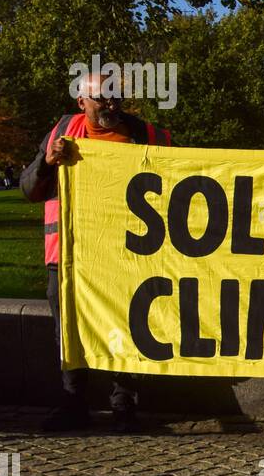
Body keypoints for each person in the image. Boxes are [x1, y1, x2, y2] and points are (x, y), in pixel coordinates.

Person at [21, 73, 172, 431]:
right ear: (81, 102)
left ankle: (124, 404)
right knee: (70, 327)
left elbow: (181, 176)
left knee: (129, 321)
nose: (111, 104)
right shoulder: (62, 133)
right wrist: (48, 162)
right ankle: (73, 402)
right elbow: (29, 188)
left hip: (126, 251)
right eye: (102, 98)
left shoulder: (145, 135)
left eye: (116, 97)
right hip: (69, 254)